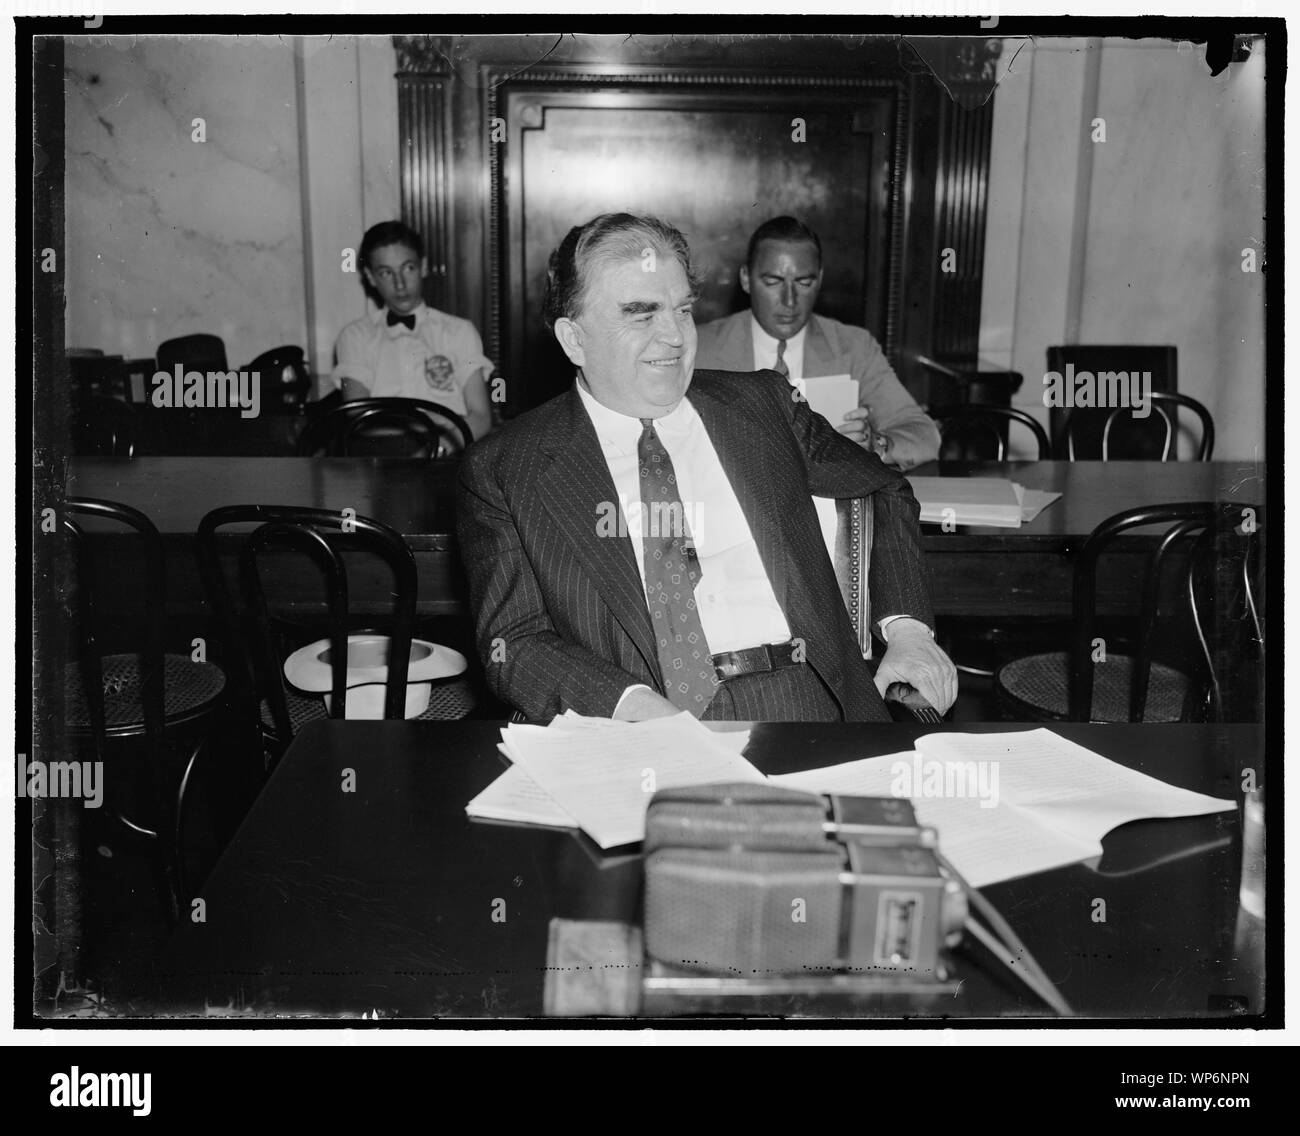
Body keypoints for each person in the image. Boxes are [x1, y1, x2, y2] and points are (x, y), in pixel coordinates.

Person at [456, 213, 955, 724]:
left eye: (683, 310)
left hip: (807, 699)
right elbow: (514, 642)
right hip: (637, 718)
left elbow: (884, 487)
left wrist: (908, 630)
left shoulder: (762, 405)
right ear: (574, 339)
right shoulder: (505, 467)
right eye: (641, 314)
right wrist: (628, 705)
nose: (675, 337)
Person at [695, 216, 940, 471]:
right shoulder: (700, 348)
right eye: (773, 282)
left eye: (804, 282)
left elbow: (925, 436)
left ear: (820, 279)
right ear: (746, 279)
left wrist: (876, 445)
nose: (789, 300)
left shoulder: (854, 348)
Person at [332, 220, 494, 440]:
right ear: (370, 277)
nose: (400, 284)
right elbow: (359, 418)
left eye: (408, 268)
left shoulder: (460, 332)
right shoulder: (354, 337)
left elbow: (481, 417)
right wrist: (429, 424)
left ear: (424, 266)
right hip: (382, 459)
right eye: (386, 273)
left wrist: (444, 444)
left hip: (449, 452)